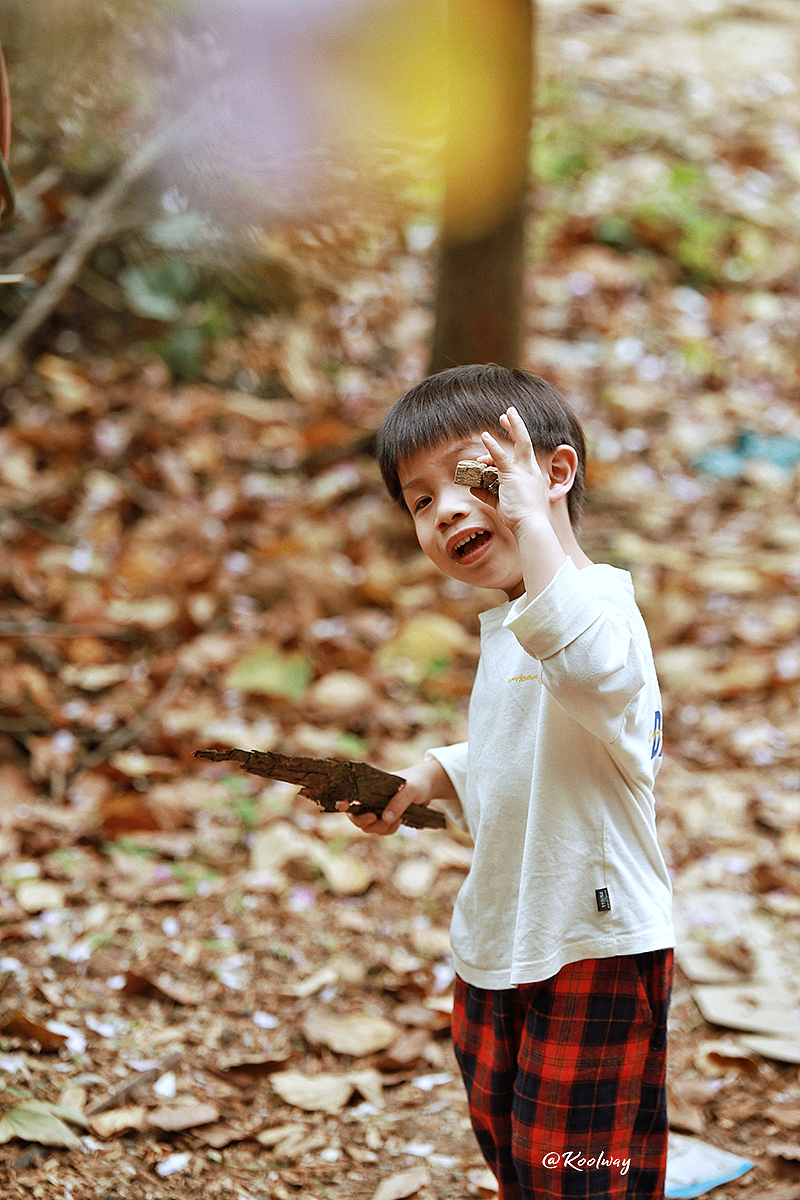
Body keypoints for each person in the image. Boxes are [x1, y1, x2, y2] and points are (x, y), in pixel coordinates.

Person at [347, 364, 675, 1200]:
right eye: (421, 500)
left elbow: (593, 674)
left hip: (594, 942)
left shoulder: (595, 612)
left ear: (554, 474)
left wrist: (530, 523)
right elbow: (524, 747)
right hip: (505, 934)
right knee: (511, 1140)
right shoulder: (515, 626)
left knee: (578, 1165)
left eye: (474, 476)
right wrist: (433, 775)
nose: (446, 509)